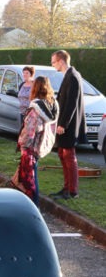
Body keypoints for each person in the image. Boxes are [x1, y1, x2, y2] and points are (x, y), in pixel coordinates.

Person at [15, 76, 59, 205]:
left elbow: (30, 130)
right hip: (41, 146)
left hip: (31, 147)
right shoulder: (52, 105)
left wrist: (22, 144)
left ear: (35, 88)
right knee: (32, 176)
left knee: (30, 180)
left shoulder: (36, 107)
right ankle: (32, 204)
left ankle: (33, 206)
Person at [50, 49, 87, 200]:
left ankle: (72, 191)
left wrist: (63, 124)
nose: (52, 65)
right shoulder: (69, 75)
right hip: (64, 124)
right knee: (62, 154)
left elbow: (71, 104)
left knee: (69, 156)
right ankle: (66, 188)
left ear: (61, 61)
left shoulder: (73, 77)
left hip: (69, 126)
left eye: (53, 62)